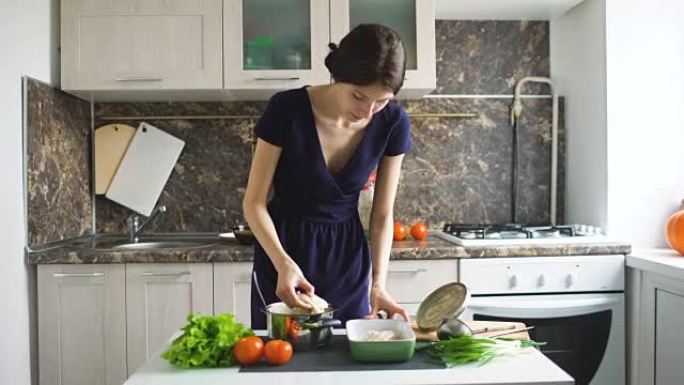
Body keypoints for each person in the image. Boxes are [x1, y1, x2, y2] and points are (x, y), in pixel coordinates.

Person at [243, 24, 412, 328]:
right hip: (282, 254)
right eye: (358, 96)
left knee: (347, 364)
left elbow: (382, 215)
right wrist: (282, 263)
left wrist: (378, 284)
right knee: (280, 364)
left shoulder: (393, 123)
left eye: (382, 101)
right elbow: (254, 204)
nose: (368, 112)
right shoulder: (286, 109)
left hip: (348, 261)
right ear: (337, 75)